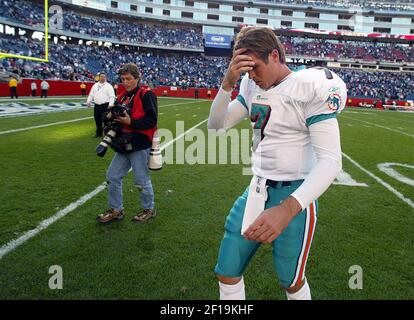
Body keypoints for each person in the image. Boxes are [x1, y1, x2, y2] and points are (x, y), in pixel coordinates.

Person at [207, 27, 347, 300]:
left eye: (255, 67)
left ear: (274, 55)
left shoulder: (309, 87)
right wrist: (227, 85)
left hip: (293, 194)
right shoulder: (249, 84)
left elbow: (331, 160)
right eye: (246, 70)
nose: (251, 76)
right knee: (227, 270)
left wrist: (287, 209)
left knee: (290, 281)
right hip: (256, 189)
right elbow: (216, 127)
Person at [96, 63, 158, 223]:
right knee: (112, 176)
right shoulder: (121, 96)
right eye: (123, 79)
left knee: (141, 180)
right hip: (123, 143)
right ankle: (116, 209)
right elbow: (107, 116)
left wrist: (131, 121)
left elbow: (151, 121)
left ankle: (149, 209)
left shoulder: (146, 94)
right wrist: (109, 116)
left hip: (139, 143)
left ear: (137, 78)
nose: (126, 82)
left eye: (129, 78)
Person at [86, 72, 115, 137]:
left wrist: (110, 104)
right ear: (99, 77)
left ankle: (107, 133)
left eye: (104, 77)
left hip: (105, 105)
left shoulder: (109, 86)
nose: (102, 78)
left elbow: (112, 96)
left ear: (106, 78)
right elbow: (91, 94)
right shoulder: (95, 85)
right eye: (101, 76)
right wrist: (88, 101)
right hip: (97, 105)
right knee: (97, 119)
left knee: (106, 120)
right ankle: (98, 133)